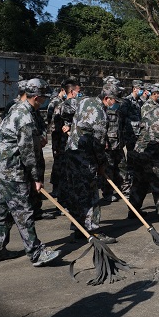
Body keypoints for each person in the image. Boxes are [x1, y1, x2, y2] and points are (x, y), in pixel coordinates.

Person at [0, 78, 60, 266]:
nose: (44, 101)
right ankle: (35, 253)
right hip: (13, 169)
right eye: (43, 97)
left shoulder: (18, 108)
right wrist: (36, 178)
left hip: (3, 166)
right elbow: (28, 152)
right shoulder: (25, 117)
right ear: (36, 97)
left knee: (2, 209)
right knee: (23, 210)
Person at [64, 83, 122, 243]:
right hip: (85, 158)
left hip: (71, 153)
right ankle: (93, 229)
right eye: (114, 100)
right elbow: (98, 144)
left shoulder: (84, 101)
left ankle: (78, 228)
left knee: (77, 192)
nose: (115, 104)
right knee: (91, 194)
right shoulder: (101, 116)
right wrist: (102, 164)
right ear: (106, 98)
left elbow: (66, 108)